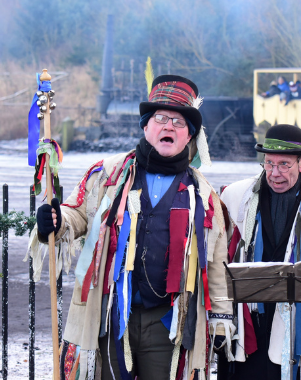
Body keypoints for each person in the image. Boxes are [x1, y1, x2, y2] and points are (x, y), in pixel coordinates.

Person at [31, 75, 234, 380]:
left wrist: (220, 318)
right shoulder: (109, 175)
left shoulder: (203, 196)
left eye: (179, 122)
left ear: (189, 135)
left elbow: (215, 264)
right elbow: (76, 214)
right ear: (145, 126)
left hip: (168, 325)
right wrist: (57, 221)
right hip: (111, 316)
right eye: (161, 118)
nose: (169, 126)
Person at [218, 124, 301, 380]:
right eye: (268, 163)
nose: (274, 173)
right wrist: (220, 319)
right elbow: (219, 263)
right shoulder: (235, 196)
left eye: (284, 165)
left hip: (299, 329)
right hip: (245, 327)